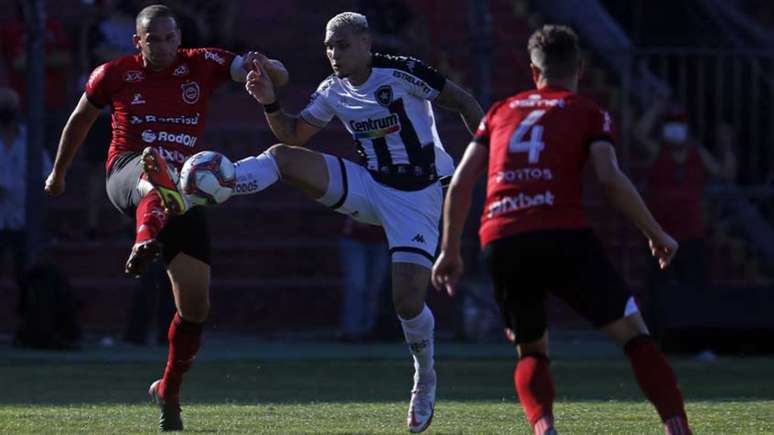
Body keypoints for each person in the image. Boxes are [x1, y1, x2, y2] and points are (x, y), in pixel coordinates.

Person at [146, 12, 483, 433]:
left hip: (420, 195)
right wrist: (269, 100)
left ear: (365, 42)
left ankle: (425, 379)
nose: (333, 54)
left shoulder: (402, 72)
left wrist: (488, 153)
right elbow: (293, 134)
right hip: (370, 185)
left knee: (408, 302)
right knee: (282, 158)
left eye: (342, 45)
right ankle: (207, 187)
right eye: (328, 46)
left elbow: (465, 101)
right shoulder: (332, 89)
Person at [431, 25, 692, 435]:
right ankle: (677, 427)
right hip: (563, 233)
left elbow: (463, 181)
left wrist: (449, 249)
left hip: (502, 237)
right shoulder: (587, 111)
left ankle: (544, 428)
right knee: (634, 336)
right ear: (580, 69)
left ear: (534, 73)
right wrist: (655, 232)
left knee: (531, 347)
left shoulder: (500, 111)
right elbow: (608, 176)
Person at [43, 4, 288, 431]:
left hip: (185, 189)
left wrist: (267, 70)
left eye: (169, 38)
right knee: (153, 170)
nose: (162, 46)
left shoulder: (204, 63)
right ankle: (144, 238)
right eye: (152, 39)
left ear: (180, 38)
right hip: (127, 172)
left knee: (195, 307)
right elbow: (79, 120)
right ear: (137, 41)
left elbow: (279, 77)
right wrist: (59, 172)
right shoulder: (113, 73)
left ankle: (169, 391)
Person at [634, 97, 736, 336]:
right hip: (660, 236)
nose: (675, 128)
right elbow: (639, 134)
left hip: (692, 234)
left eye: (679, 123)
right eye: (671, 123)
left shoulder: (697, 154)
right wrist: (656, 108)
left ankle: (696, 339)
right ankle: (655, 339)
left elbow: (725, 174)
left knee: (696, 288)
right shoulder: (657, 152)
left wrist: (727, 145)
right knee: (657, 289)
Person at [0, 87, 53, 340]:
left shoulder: (29, 140)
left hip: (23, 219)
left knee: (26, 276)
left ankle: (28, 327)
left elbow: (47, 174)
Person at [338, 217, 389, 342]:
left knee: (375, 288)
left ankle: (368, 330)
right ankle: (352, 331)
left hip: (381, 240)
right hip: (354, 239)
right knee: (357, 284)